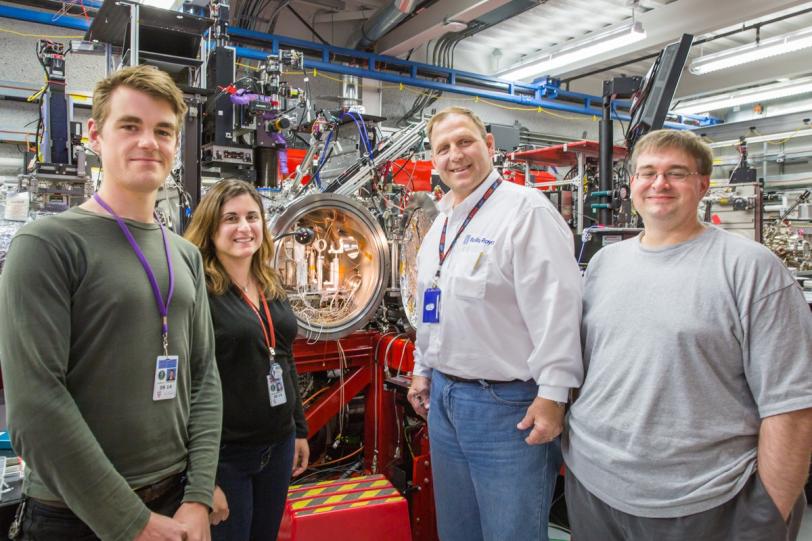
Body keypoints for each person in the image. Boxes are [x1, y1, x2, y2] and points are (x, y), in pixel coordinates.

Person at [0, 64, 223, 540]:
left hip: (175, 499)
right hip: (74, 513)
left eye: (164, 131)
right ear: (95, 136)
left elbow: (204, 378)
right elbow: (36, 404)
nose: (149, 141)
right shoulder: (46, 244)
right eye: (130, 126)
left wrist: (199, 494)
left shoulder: (183, 252)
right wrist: (132, 523)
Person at [563, 129, 812, 540]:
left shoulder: (750, 268)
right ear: (632, 185)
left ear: (702, 185)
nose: (659, 183)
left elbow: (791, 405)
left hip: (705, 500)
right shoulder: (605, 263)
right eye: (648, 172)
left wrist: (769, 514)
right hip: (593, 489)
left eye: (676, 173)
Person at [406, 106, 583, 541]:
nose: (455, 156)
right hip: (445, 400)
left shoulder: (525, 212)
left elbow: (558, 310)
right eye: (443, 148)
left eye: (465, 142)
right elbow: (433, 302)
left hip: (507, 407)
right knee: (458, 530)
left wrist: (554, 396)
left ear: (489, 146)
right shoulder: (441, 222)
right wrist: (422, 369)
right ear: (434, 161)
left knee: (510, 533)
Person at [184, 179, 309, 540]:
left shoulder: (268, 281)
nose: (244, 228)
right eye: (231, 219)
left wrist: (298, 428)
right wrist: (200, 480)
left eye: (252, 217)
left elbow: (284, 357)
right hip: (225, 455)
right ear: (211, 228)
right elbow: (186, 388)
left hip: (278, 444)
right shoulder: (198, 290)